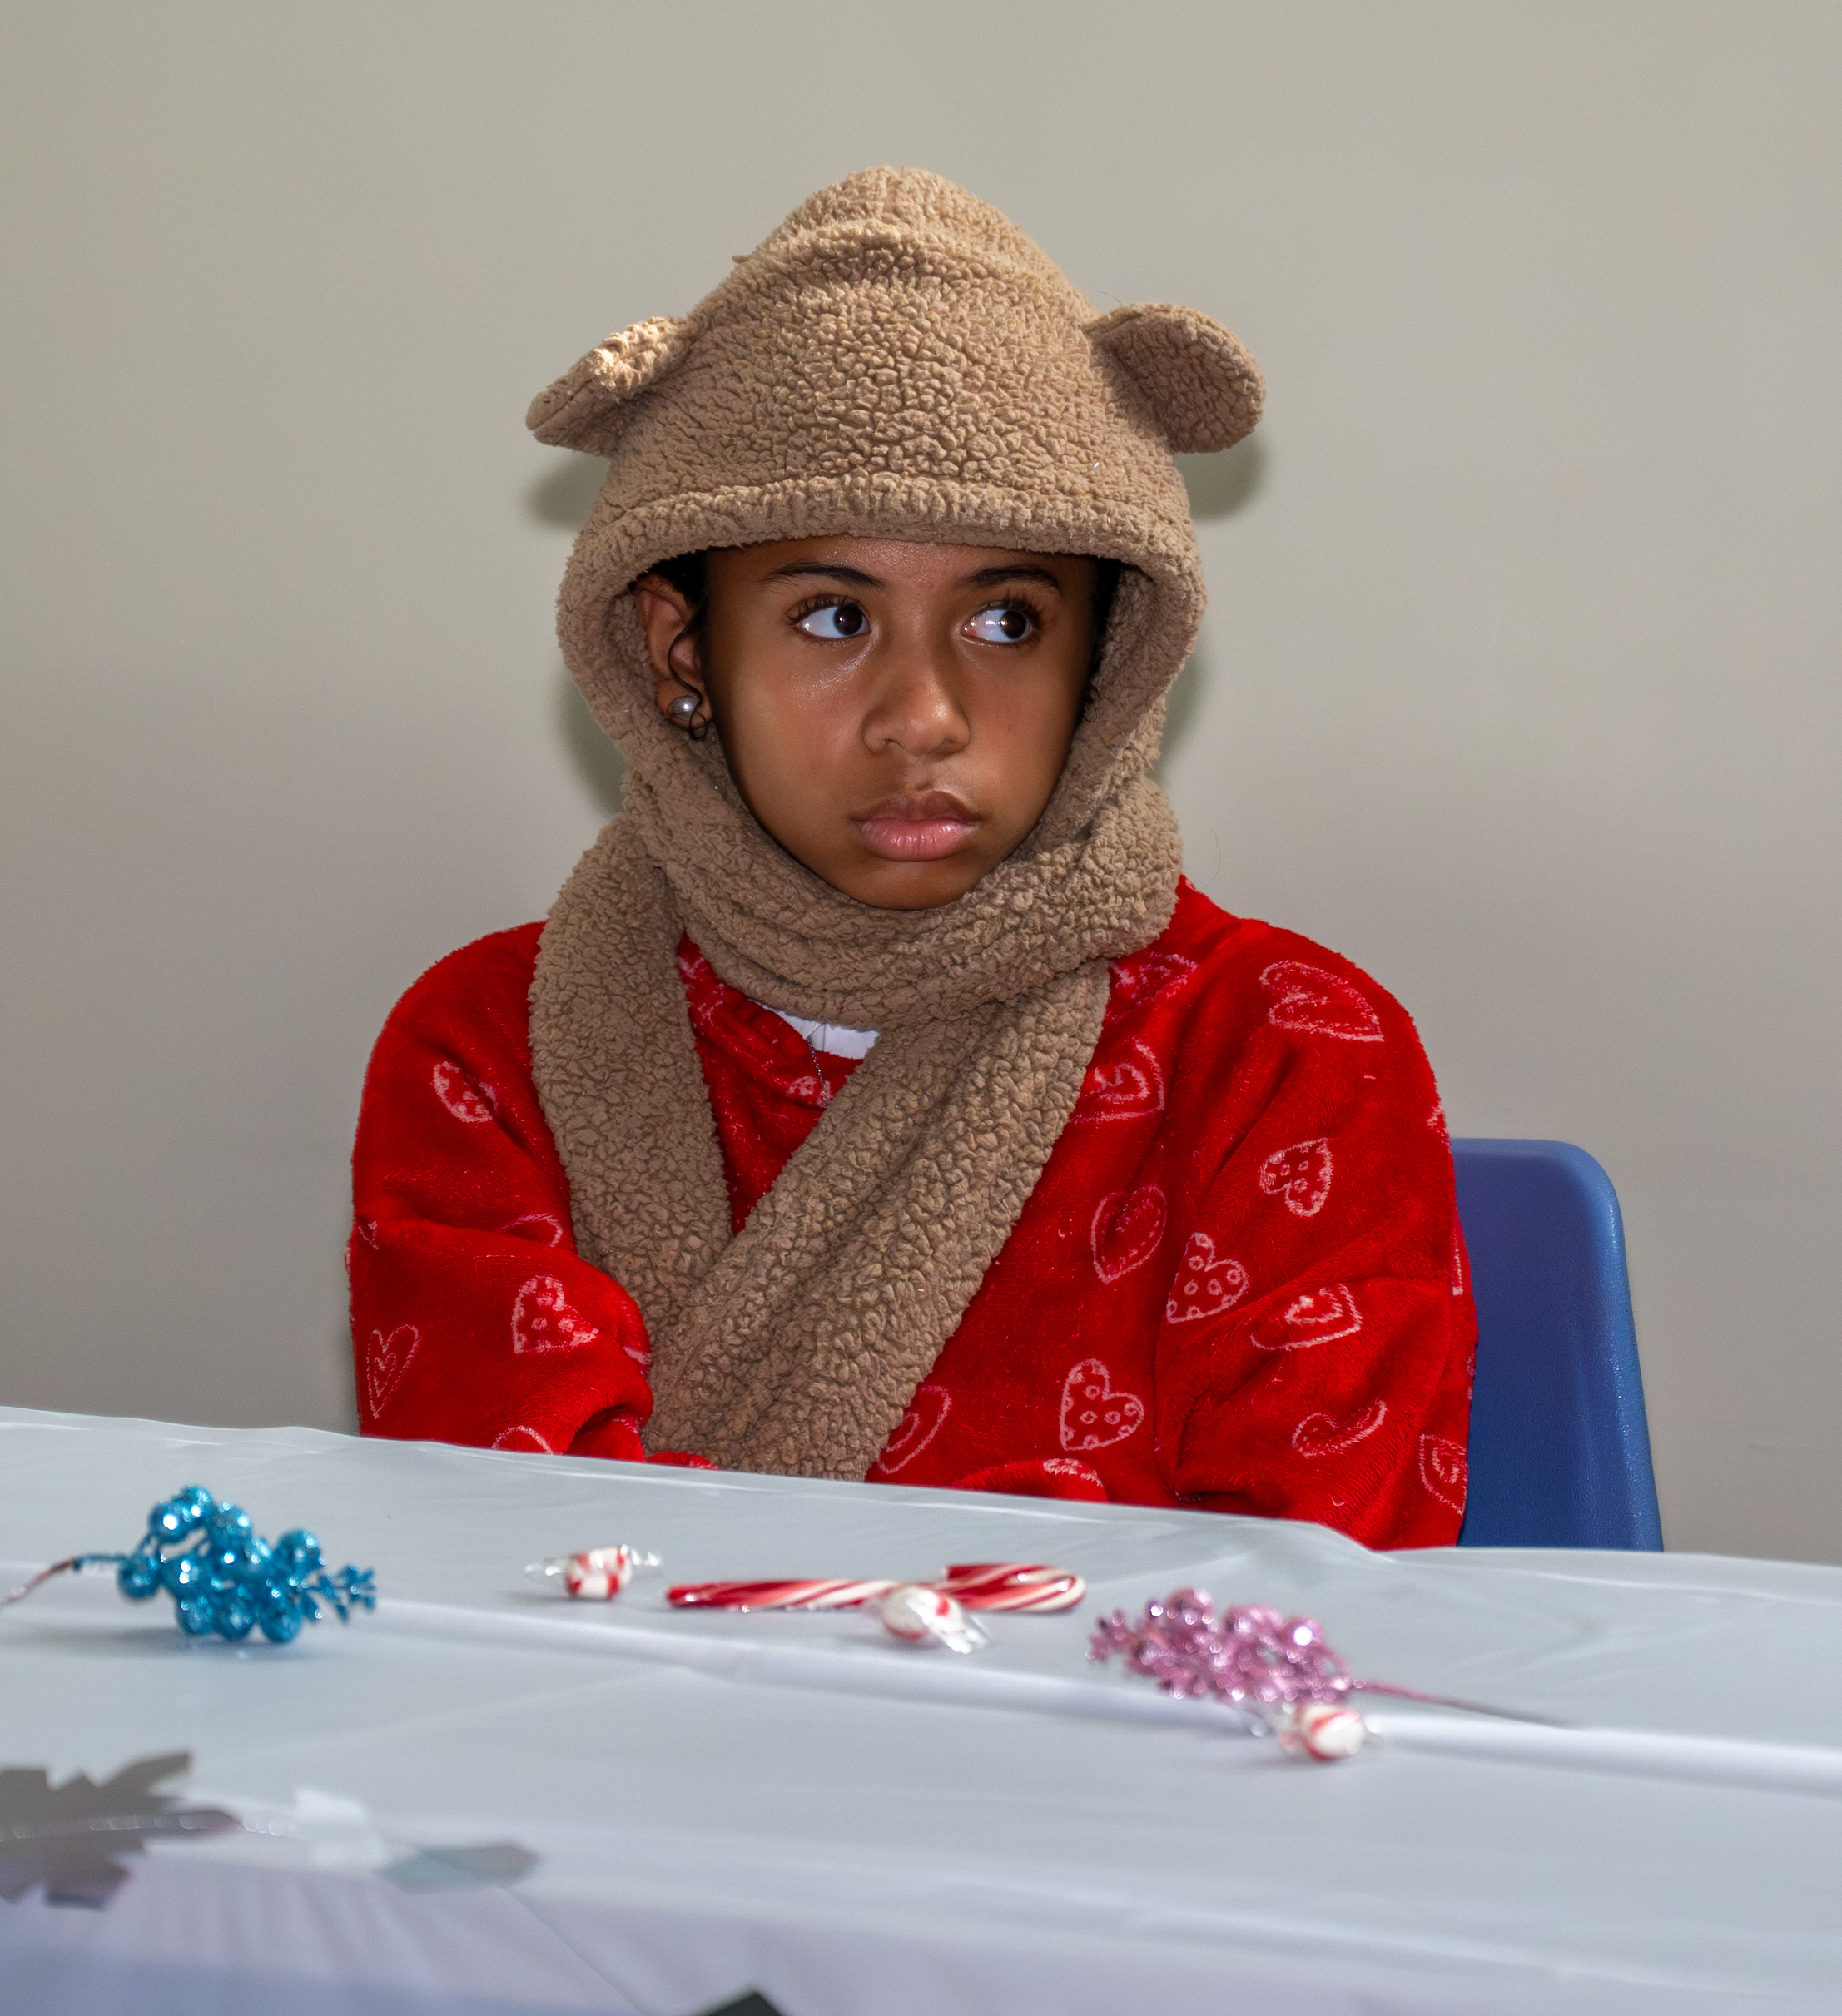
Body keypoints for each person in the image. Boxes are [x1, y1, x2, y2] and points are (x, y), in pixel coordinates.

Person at [345, 169, 1474, 1546]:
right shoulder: (489, 1052)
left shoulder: (1290, 1056)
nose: (925, 719)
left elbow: (1299, 1599)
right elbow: (507, 1556)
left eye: (1007, 625)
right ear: (678, 651)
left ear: (1108, 663)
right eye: (832, 618)